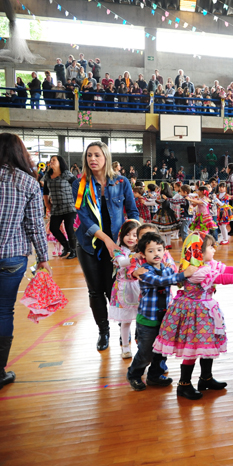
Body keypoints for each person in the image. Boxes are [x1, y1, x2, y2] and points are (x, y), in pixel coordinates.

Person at [153, 233, 233, 399]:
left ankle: (206, 378)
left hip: (205, 312)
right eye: (210, 246)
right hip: (194, 314)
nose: (214, 249)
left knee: (207, 345)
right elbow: (222, 278)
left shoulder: (207, 264)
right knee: (192, 349)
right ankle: (184, 384)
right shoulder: (196, 271)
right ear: (199, 252)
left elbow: (225, 269)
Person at [72, 142, 139, 351]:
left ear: (106, 157)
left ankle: (123, 328)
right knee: (95, 290)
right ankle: (103, 331)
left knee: (116, 287)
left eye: (97, 155)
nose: (92, 159)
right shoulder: (80, 184)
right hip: (89, 244)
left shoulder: (121, 181)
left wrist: (133, 235)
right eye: (89, 155)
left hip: (117, 246)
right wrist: (107, 240)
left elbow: (133, 211)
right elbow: (83, 217)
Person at [0, 134, 51, 390]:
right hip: (12, 255)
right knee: (3, 310)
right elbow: (35, 226)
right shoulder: (28, 182)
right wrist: (43, 258)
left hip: (12, 256)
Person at [126, 233, 196, 391]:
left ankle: (154, 376)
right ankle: (134, 374)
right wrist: (183, 275)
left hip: (165, 319)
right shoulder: (143, 271)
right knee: (146, 353)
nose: (156, 253)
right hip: (147, 321)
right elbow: (160, 282)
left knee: (162, 350)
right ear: (143, 254)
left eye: (159, 249)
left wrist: (188, 274)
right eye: (151, 251)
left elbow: (176, 281)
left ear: (165, 251)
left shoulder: (167, 269)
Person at [107, 220, 141, 359]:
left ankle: (142, 346)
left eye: (135, 235)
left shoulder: (141, 250)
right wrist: (135, 257)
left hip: (139, 288)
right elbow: (122, 263)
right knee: (126, 321)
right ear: (122, 235)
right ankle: (125, 347)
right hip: (123, 288)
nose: (131, 238)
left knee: (141, 319)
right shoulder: (118, 251)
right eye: (127, 234)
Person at [43, 155, 78, 259]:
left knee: (69, 228)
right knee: (53, 228)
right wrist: (47, 204)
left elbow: (78, 186)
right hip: (56, 207)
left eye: (54, 160)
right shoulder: (48, 176)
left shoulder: (66, 174)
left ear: (60, 162)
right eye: (51, 160)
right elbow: (45, 192)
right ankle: (66, 247)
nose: (51, 162)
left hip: (69, 206)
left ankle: (74, 251)